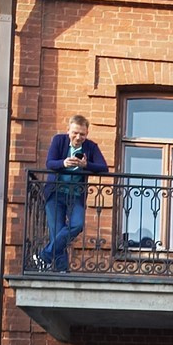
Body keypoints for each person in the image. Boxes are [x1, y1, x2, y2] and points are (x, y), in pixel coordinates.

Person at [38, 114, 108, 271]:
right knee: (57, 232)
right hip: (55, 193)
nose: (78, 137)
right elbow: (50, 163)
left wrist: (86, 165)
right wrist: (63, 163)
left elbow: (104, 167)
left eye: (82, 134)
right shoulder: (59, 140)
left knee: (77, 224)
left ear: (87, 133)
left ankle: (45, 255)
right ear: (68, 130)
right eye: (75, 133)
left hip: (76, 194)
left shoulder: (91, 147)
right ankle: (62, 270)